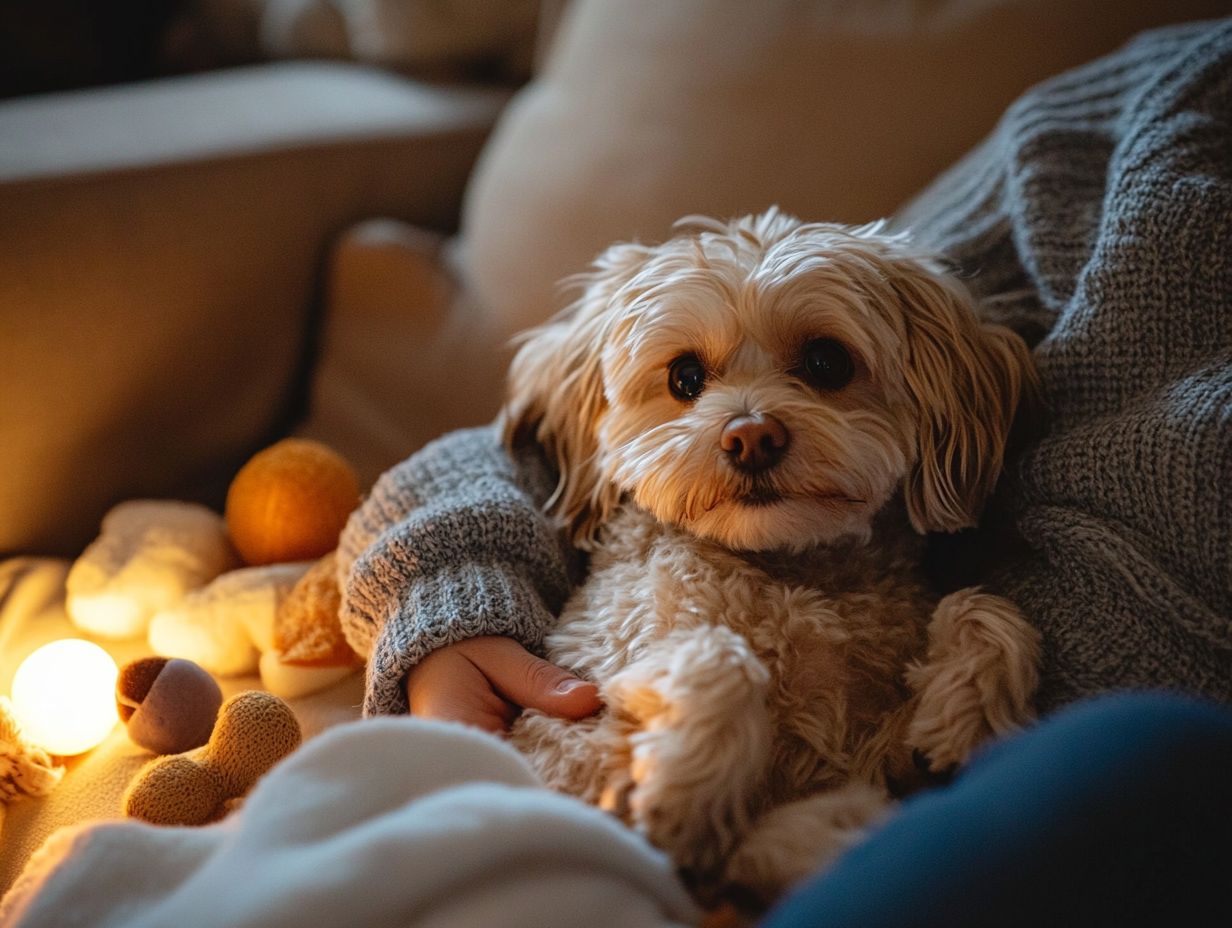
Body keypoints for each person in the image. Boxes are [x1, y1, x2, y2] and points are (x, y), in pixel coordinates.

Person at [336, 19, 1232, 925]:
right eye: (688, 381)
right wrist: (448, 595)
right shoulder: (1128, 133)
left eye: (825, 368)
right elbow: (513, 452)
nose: (750, 427)